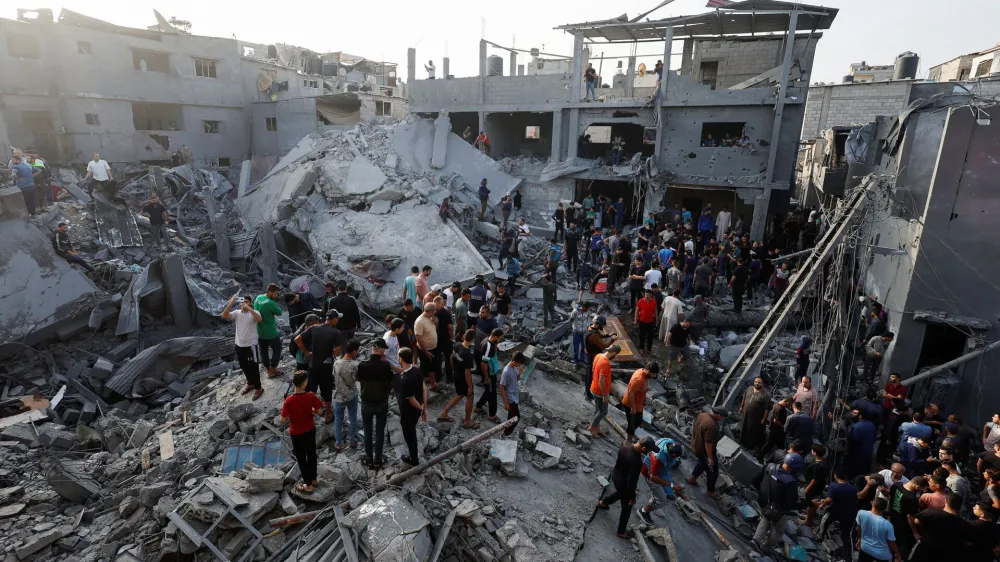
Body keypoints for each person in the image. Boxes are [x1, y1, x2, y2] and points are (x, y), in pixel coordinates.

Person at [596, 437, 661, 538]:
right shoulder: (637, 462)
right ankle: (621, 531)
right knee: (627, 507)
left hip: (616, 475)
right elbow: (631, 483)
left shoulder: (626, 444)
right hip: (624, 484)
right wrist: (632, 497)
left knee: (620, 494)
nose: (648, 452)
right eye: (648, 450)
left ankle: (604, 503)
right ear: (644, 449)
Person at [296, 309, 344, 423]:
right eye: (337, 318)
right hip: (326, 367)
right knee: (326, 391)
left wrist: (307, 352)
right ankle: (327, 414)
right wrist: (329, 351)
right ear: (335, 319)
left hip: (313, 366)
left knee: (311, 390)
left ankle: (308, 411)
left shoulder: (314, 328)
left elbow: (297, 339)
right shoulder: (335, 332)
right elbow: (338, 351)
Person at [281, 370, 324, 493]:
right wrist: (310, 409)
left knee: (301, 458)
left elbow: (283, 420)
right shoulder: (311, 396)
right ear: (304, 383)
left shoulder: (288, 401)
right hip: (310, 429)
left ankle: (308, 484)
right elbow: (320, 412)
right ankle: (314, 479)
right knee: (311, 453)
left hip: (296, 432)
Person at [753, 453, 804, 550]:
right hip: (777, 510)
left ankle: (756, 540)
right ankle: (766, 548)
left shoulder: (769, 466)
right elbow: (790, 504)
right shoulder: (791, 482)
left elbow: (755, 481)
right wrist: (803, 504)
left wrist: (762, 493)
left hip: (763, 502)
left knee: (766, 517)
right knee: (779, 530)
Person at [357, 338, 394, 469]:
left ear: (371, 349)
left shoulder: (362, 364)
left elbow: (359, 379)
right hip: (381, 403)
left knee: (367, 431)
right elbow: (390, 382)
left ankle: (369, 458)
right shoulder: (385, 366)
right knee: (379, 431)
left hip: (366, 403)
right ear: (382, 350)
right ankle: (378, 459)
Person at [222, 294, 263, 400]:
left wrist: (249, 308)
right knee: (244, 365)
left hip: (251, 345)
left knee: (253, 367)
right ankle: (250, 383)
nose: (244, 303)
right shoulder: (237, 313)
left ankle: (258, 388)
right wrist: (231, 302)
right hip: (239, 345)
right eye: (242, 301)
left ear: (250, 303)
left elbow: (259, 319)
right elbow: (225, 315)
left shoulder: (254, 313)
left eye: (247, 301)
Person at [637, 438, 686, 524]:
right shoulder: (658, 458)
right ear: (673, 455)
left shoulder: (670, 442)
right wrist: (672, 485)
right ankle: (643, 511)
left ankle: (658, 499)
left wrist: (676, 489)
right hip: (650, 472)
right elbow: (653, 477)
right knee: (662, 500)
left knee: (670, 493)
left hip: (662, 470)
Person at [911, 493, 973, 562]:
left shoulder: (929, 512)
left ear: (945, 502)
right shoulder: (963, 524)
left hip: (925, 550)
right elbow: (968, 542)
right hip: (946, 554)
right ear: (960, 505)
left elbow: (916, 521)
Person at [394, 348, 427, 466]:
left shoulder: (405, 380)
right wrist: (424, 408)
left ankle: (413, 459)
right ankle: (413, 456)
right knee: (412, 432)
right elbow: (424, 388)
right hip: (418, 409)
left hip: (409, 412)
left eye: (398, 355)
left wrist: (421, 409)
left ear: (401, 358)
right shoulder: (416, 370)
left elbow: (411, 400)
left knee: (410, 435)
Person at [440, 329, 478, 428]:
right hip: (463, 379)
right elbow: (467, 373)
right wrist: (470, 387)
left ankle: (444, 413)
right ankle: (468, 421)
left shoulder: (457, 345)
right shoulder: (468, 355)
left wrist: (454, 369)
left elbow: (451, 357)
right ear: (473, 340)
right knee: (470, 396)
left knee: (460, 394)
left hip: (456, 376)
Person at [687, 407, 727, 499]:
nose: (722, 419)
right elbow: (708, 442)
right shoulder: (712, 426)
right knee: (713, 471)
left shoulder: (702, 415)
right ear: (718, 415)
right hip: (704, 451)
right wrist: (710, 458)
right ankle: (710, 491)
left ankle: (692, 479)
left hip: (695, 445)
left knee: (702, 463)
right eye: (722, 417)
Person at [332, 339, 360, 451]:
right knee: (353, 418)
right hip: (352, 394)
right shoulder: (355, 365)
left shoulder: (336, 363)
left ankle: (338, 443)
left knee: (338, 419)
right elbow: (357, 379)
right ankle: (352, 441)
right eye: (357, 351)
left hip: (339, 396)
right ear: (353, 351)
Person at [589, 345, 622, 436]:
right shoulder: (606, 363)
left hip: (593, 387)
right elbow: (601, 380)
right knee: (603, 411)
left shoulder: (598, 355)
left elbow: (593, 369)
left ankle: (597, 428)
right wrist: (605, 396)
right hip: (600, 391)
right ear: (614, 353)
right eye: (615, 355)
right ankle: (592, 427)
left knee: (598, 409)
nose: (614, 357)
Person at [254, 284, 285, 380]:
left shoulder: (258, 298)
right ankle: (272, 371)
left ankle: (268, 369)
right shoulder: (270, 303)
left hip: (260, 330)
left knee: (264, 351)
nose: (276, 296)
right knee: (277, 349)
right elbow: (279, 312)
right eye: (275, 294)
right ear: (269, 292)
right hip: (270, 331)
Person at [584, 316, 618, 401]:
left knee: (590, 373)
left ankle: (589, 391)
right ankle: (588, 394)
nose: (603, 327)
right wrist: (613, 340)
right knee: (590, 374)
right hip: (592, 356)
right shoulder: (594, 335)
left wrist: (607, 335)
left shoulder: (590, 327)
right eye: (602, 325)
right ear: (599, 324)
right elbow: (604, 346)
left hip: (590, 353)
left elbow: (598, 336)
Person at [854, 498, 900, 562]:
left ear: (872, 503)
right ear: (884, 509)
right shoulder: (888, 525)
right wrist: (898, 554)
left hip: (865, 548)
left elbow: (858, 528)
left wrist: (860, 539)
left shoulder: (861, 513)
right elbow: (891, 543)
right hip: (882, 554)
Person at [623, 363, 658, 436]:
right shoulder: (638, 379)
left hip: (638, 403)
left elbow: (639, 387)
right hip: (631, 404)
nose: (654, 376)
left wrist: (645, 388)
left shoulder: (641, 371)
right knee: (633, 423)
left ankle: (628, 433)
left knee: (638, 421)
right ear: (648, 371)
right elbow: (631, 393)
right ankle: (628, 440)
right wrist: (633, 408)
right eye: (654, 374)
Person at [739, 377, 772, 452]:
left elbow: (767, 409)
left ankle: (750, 446)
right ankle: (742, 442)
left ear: (762, 384)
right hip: (745, 414)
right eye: (755, 382)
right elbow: (744, 398)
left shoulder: (766, 395)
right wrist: (741, 407)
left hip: (756, 418)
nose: (757, 383)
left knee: (752, 431)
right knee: (743, 427)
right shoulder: (749, 388)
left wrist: (764, 419)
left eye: (759, 382)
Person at [498, 352, 526, 436]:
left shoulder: (514, 367)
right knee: (514, 418)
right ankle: (505, 434)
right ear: (514, 361)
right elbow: (501, 386)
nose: (519, 365)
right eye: (519, 363)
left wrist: (520, 373)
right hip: (510, 398)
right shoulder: (506, 371)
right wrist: (505, 402)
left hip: (514, 396)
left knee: (514, 417)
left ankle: (506, 433)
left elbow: (516, 379)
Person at [413, 302, 440, 390]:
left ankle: (430, 381)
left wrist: (436, 322)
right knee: (427, 367)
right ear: (430, 311)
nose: (435, 312)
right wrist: (425, 351)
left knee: (432, 366)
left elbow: (435, 328)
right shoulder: (420, 321)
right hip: (425, 349)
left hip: (434, 347)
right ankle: (429, 384)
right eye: (434, 311)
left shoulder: (431, 318)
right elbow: (418, 338)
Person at [846, 408, 878, 478]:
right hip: (868, 452)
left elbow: (852, 440)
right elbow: (874, 438)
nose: (853, 415)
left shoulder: (856, 427)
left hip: (857, 453)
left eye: (855, 414)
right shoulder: (871, 424)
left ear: (860, 416)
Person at [634, 289, 658, 354]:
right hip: (642, 321)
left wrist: (657, 321)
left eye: (648, 295)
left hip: (651, 322)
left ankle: (649, 349)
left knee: (650, 336)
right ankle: (641, 348)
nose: (646, 296)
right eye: (645, 295)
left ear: (651, 295)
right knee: (642, 336)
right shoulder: (640, 301)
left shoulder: (654, 301)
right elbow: (637, 311)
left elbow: (655, 311)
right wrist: (635, 320)